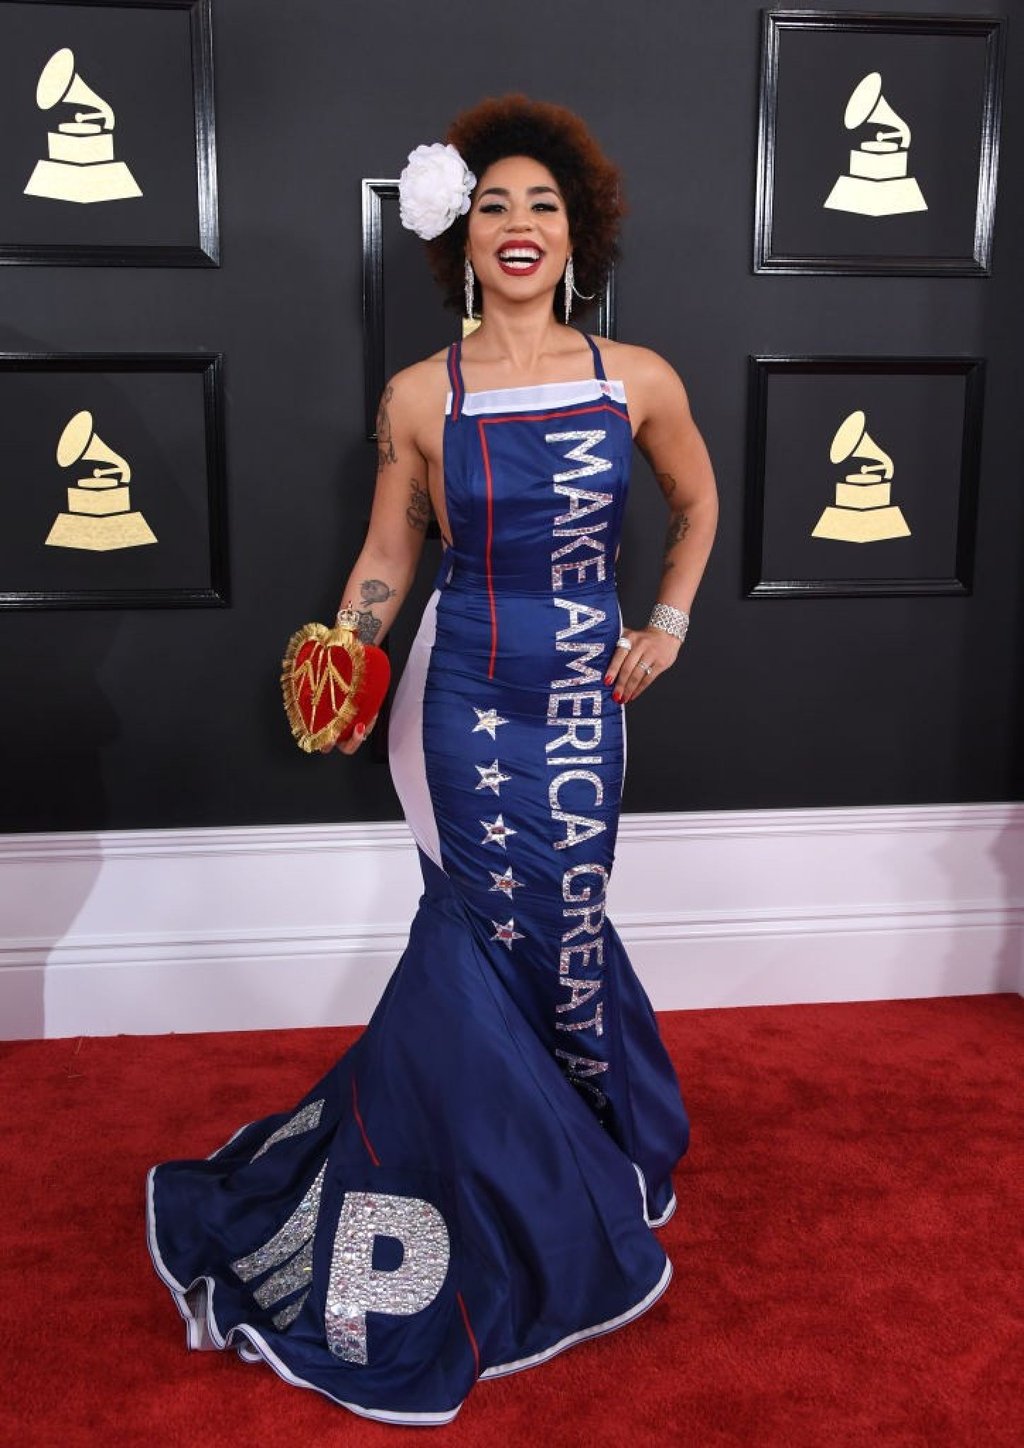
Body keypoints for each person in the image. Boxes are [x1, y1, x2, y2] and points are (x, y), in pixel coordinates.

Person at [146, 94, 718, 1426]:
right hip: (455, 697)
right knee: (474, 921)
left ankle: (582, 1149)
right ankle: (492, 1182)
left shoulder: (640, 377)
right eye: (496, 206)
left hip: (584, 700)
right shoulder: (420, 396)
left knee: (567, 919)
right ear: (459, 237)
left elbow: (697, 505)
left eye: (545, 207)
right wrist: (348, 646)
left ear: (575, 236)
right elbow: (390, 561)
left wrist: (670, 623)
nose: (520, 225)